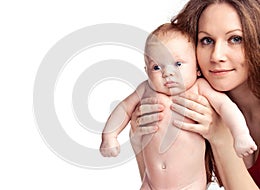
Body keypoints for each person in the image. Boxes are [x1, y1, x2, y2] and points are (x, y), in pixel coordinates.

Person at [100, 23, 256, 189]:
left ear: (197, 68)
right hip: (151, 183)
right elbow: (123, 108)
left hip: (189, 185)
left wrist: (240, 135)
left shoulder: (199, 88)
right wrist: (109, 137)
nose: (167, 73)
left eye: (178, 64)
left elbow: (227, 107)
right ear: (146, 70)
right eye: (157, 67)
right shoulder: (146, 89)